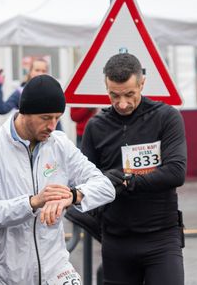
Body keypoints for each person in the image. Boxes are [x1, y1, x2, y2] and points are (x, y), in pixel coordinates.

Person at [0, 75, 115, 284]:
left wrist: (73, 195)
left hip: (56, 268)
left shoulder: (60, 144)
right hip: (8, 274)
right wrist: (33, 202)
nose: (52, 126)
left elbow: (106, 188)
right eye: (45, 118)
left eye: (57, 118)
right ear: (24, 112)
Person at [80, 53, 187, 285]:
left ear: (142, 84)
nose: (122, 104)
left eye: (130, 94)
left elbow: (176, 171)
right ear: (106, 87)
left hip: (161, 238)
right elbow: (86, 182)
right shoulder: (96, 127)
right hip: (116, 241)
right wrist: (102, 212)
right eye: (114, 96)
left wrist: (127, 181)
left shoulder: (166, 117)